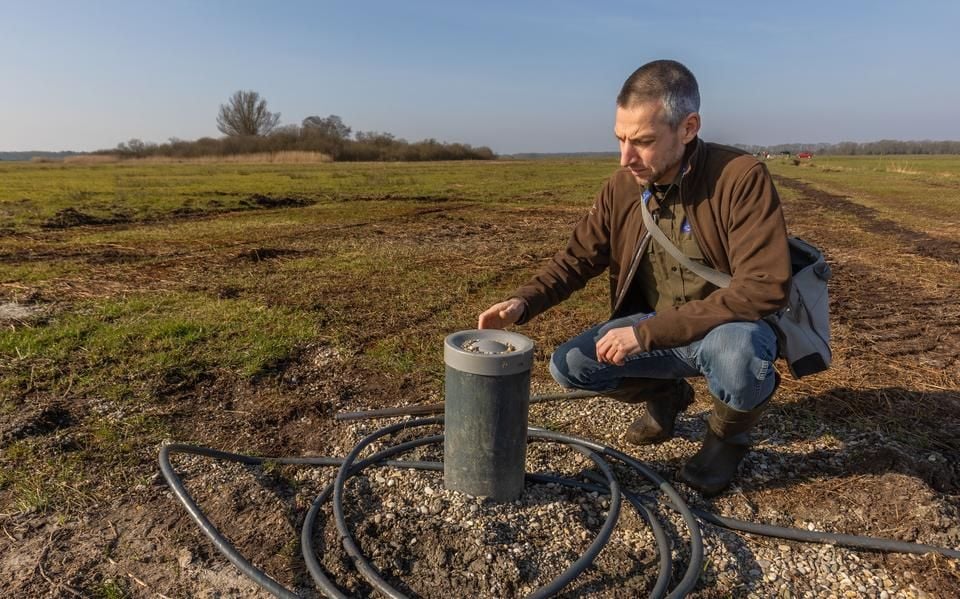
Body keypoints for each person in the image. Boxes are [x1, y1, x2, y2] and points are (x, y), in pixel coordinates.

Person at [477, 60, 792, 496]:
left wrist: (646, 334)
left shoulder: (739, 178)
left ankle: (727, 438)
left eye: (642, 142)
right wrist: (523, 301)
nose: (626, 157)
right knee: (571, 366)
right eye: (620, 139)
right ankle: (667, 396)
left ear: (688, 127)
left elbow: (763, 286)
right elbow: (577, 259)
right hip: (653, 329)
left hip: (724, 328)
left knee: (740, 357)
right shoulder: (622, 186)